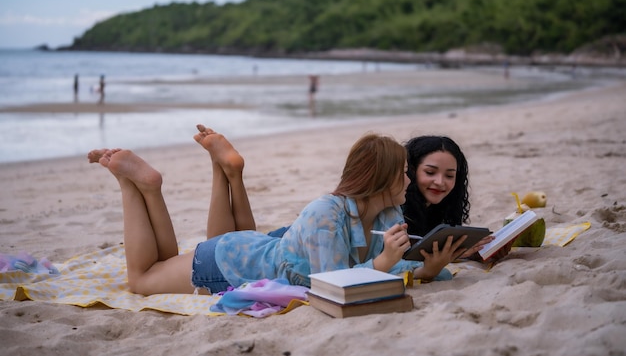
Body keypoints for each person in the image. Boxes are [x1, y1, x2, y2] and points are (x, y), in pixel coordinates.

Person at [88, 125, 466, 296]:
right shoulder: (326, 213)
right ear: (382, 180)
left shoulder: (387, 216)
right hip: (225, 266)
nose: (408, 181)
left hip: (248, 248)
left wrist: (427, 270)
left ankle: (223, 173)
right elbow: (330, 285)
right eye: (402, 173)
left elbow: (387, 267)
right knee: (142, 279)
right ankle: (139, 186)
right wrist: (384, 264)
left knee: (164, 262)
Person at [402, 135, 509, 261]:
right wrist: (455, 251)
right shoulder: (396, 208)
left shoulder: (440, 208)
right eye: (430, 172)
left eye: (449, 175)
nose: (440, 182)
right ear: (411, 171)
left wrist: (478, 251)